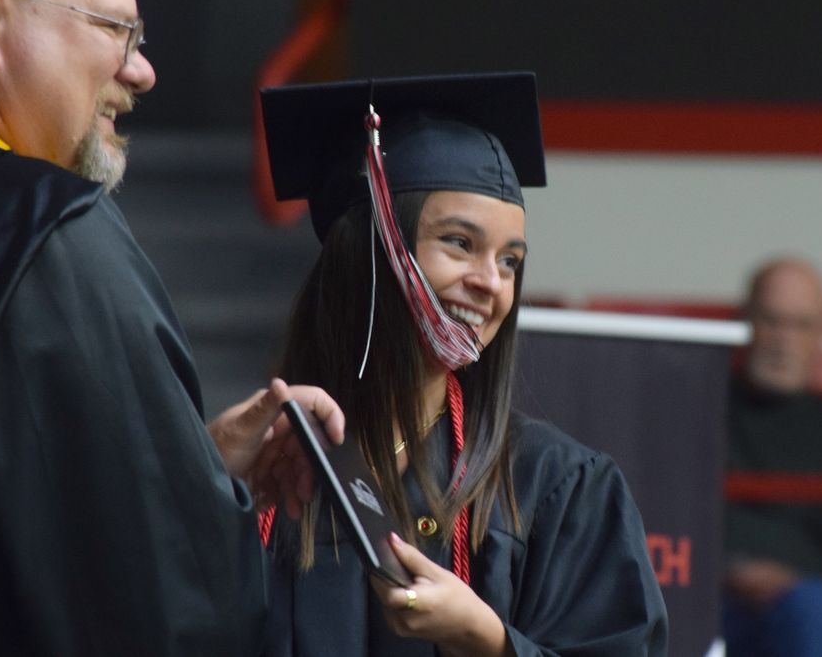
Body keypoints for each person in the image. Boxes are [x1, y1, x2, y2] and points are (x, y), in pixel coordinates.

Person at [0, 0, 340, 654]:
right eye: (115, 30)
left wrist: (179, 463)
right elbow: (169, 605)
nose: (141, 70)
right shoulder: (37, 236)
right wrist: (188, 505)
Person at [258, 71, 669, 655]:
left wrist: (490, 642)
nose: (490, 284)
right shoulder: (268, 474)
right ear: (372, 250)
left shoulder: (557, 489)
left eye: (510, 261)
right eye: (459, 243)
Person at [722, 256, 822, 657]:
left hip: (804, 607)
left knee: (815, 609)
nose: (784, 340)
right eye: (772, 321)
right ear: (744, 323)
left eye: (801, 325)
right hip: (703, 594)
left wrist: (792, 581)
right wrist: (726, 571)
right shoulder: (691, 414)